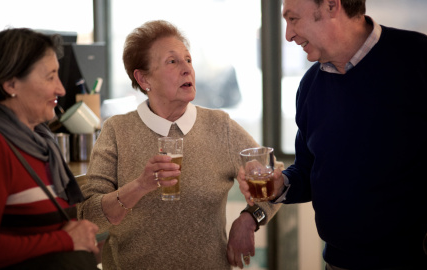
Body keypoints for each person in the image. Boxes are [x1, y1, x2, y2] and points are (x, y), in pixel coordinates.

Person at [236, 0, 427, 269]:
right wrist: (280, 186)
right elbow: (306, 171)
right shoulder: (310, 85)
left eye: (293, 19)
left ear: (330, 6)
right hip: (336, 263)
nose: (288, 35)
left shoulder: (417, 57)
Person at [77, 20, 281, 270]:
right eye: (172, 62)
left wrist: (250, 219)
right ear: (143, 79)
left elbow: (278, 178)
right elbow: (89, 216)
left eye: (188, 60)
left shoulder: (220, 126)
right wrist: (139, 187)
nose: (187, 69)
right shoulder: (117, 131)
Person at [0, 28, 99, 269]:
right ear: (11, 84)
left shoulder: (41, 142)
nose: (61, 89)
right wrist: (65, 240)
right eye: (50, 77)